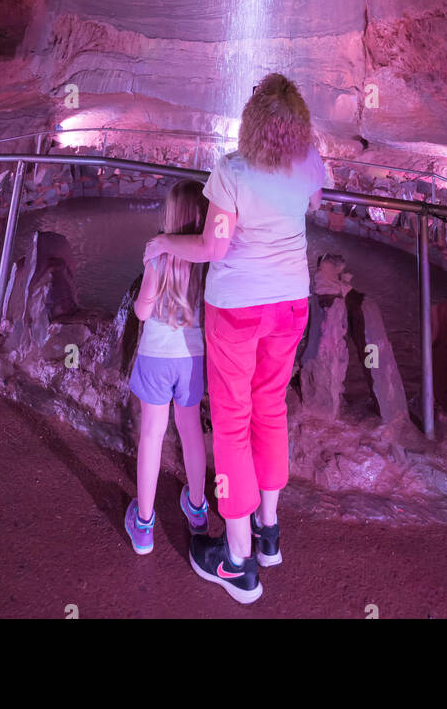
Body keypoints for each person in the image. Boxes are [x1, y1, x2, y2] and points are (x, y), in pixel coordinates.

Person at [144, 73, 325, 604]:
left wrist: (163, 241)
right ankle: (268, 530)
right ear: (297, 124)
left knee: (230, 423)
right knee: (270, 410)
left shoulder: (231, 171)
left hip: (238, 309)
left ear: (253, 123)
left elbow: (213, 248)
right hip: (291, 303)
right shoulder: (309, 163)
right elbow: (311, 206)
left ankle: (238, 561)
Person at [124, 180, 210, 554]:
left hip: (156, 356)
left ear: (170, 215)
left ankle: (144, 524)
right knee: (191, 433)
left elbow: (142, 309)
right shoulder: (210, 260)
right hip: (192, 359)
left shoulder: (158, 256)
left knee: (152, 436)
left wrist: (146, 302)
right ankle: (197, 509)